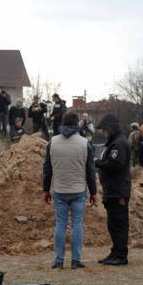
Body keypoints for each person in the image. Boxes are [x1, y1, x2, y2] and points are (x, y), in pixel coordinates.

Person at [41, 112, 97, 269]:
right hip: (79, 190)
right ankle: (76, 260)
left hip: (59, 190)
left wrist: (46, 189)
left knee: (60, 224)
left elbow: (47, 168)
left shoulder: (52, 142)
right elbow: (90, 171)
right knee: (77, 224)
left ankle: (59, 261)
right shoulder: (85, 143)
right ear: (76, 124)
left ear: (63, 123)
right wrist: (93, 192)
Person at [95, 114, 131, 266]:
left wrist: (99, 163)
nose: (104, 133)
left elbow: (116, 164)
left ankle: (121, 255)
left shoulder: (119, 144)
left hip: (118, 191)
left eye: (104, 130)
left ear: (110, 128)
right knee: (113, 223)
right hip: (112, 190)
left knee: (119, 223)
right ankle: (115, 251)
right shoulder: (114, 143)